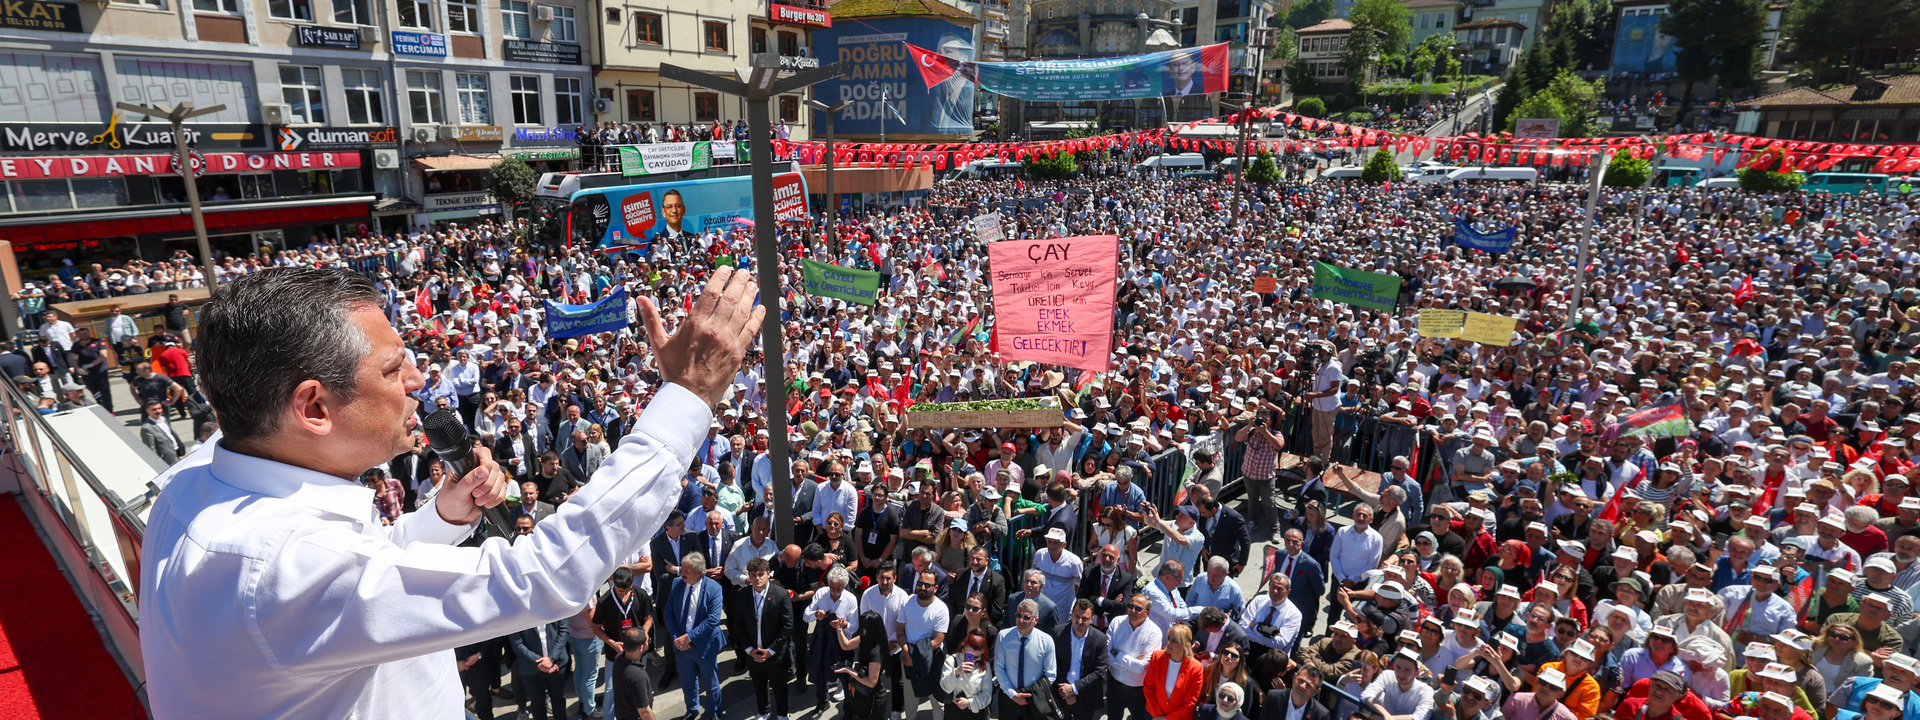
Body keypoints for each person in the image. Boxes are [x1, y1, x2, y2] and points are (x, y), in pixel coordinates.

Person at [737, 556, 793, 720]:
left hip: (775, 654)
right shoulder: (743, 595)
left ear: (769, 574)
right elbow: (738, 624)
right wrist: (749, 649)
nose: (757, 578)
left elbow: (787, 626)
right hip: (753, 653)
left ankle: (783, 714)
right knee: (759, 685)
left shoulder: (781, 595)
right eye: (753, 575)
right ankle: (764, 711)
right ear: (749, 577)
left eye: (761, 574)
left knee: (779, 686)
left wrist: (771, 650)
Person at [997, 599, 1059, 720]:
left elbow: (1051, 674)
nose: (1021, 620)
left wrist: (1032, 694)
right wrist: (1013, 694)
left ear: (1036, 620)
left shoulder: (1046, 641)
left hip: (1034, 699)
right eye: (1018, 615)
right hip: (1009, 697)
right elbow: (999, 667)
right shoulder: (1003, 636)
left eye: (1026, 617)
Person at [1109, 592, 1164, 720]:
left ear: (1148, 613)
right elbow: (1106, 655)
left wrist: (1117, 653)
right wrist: (1132, 663)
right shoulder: (1117, 622)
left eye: (1138, 608)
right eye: (1130, 606)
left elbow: (1142, 668)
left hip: (1137, 690)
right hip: (1114, 683)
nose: (1133, 610)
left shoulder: (1154, 633)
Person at [1053, 599, 1109, 720]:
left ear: (1091, 619)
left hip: (1086, 695)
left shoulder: (1100, 639)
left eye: (1084, 618)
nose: (1079, 621)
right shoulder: (1058, 632)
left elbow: (1100, 671)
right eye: (1076, 616)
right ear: (1071, 615)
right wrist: (1065, 691)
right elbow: (1052, 663)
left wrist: (1073, 689)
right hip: (1060, 693)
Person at [509, 616, 572, 720]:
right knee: (537, 703)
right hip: (531, 668)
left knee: (558, 700)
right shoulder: (518, 615)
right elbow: (517, 644)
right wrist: (541, 662)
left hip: (556, 665)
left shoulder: (556, 608)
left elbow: (564, 631)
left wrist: (552, 658)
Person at [1144, 623, 1207, 720]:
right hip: (1154, 714)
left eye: (1174, 641)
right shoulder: (1157, 657)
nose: (1168, 643)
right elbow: (1148, 688)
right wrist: (1158, 716)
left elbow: (1190, 702)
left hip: (1179, 717)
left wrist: (1167, 718)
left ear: (1184, 644)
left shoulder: (1196, 668)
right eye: (1168, 638)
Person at [942, 628, 997, 720]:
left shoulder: (984, 665)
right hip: (954, 711)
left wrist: (969, 702)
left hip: (976, 712)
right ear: (963, 648)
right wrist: (956, 672)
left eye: (977, 657)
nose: (973, 660)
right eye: (969, 656)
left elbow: (987, 694)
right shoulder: (951, 661)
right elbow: (945, 688)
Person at [609, 627, 655, 720]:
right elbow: (644, 711)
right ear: (641, 647)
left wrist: (645, 692)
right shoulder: (638, 676)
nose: (648, 643)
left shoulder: (619, 658)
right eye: (648, 641)